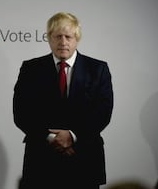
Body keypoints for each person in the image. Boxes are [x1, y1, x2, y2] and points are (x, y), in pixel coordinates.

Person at [13, 12, 114, 189]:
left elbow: (102, 112)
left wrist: (73, 136)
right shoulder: (31, 69)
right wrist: (53, 137)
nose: (63, 42)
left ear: (77, 38)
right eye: (57, 36)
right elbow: (22, 112)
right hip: (41, 160)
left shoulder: (98, 69)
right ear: (49, 38)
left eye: (68, 36)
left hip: (84, 158)